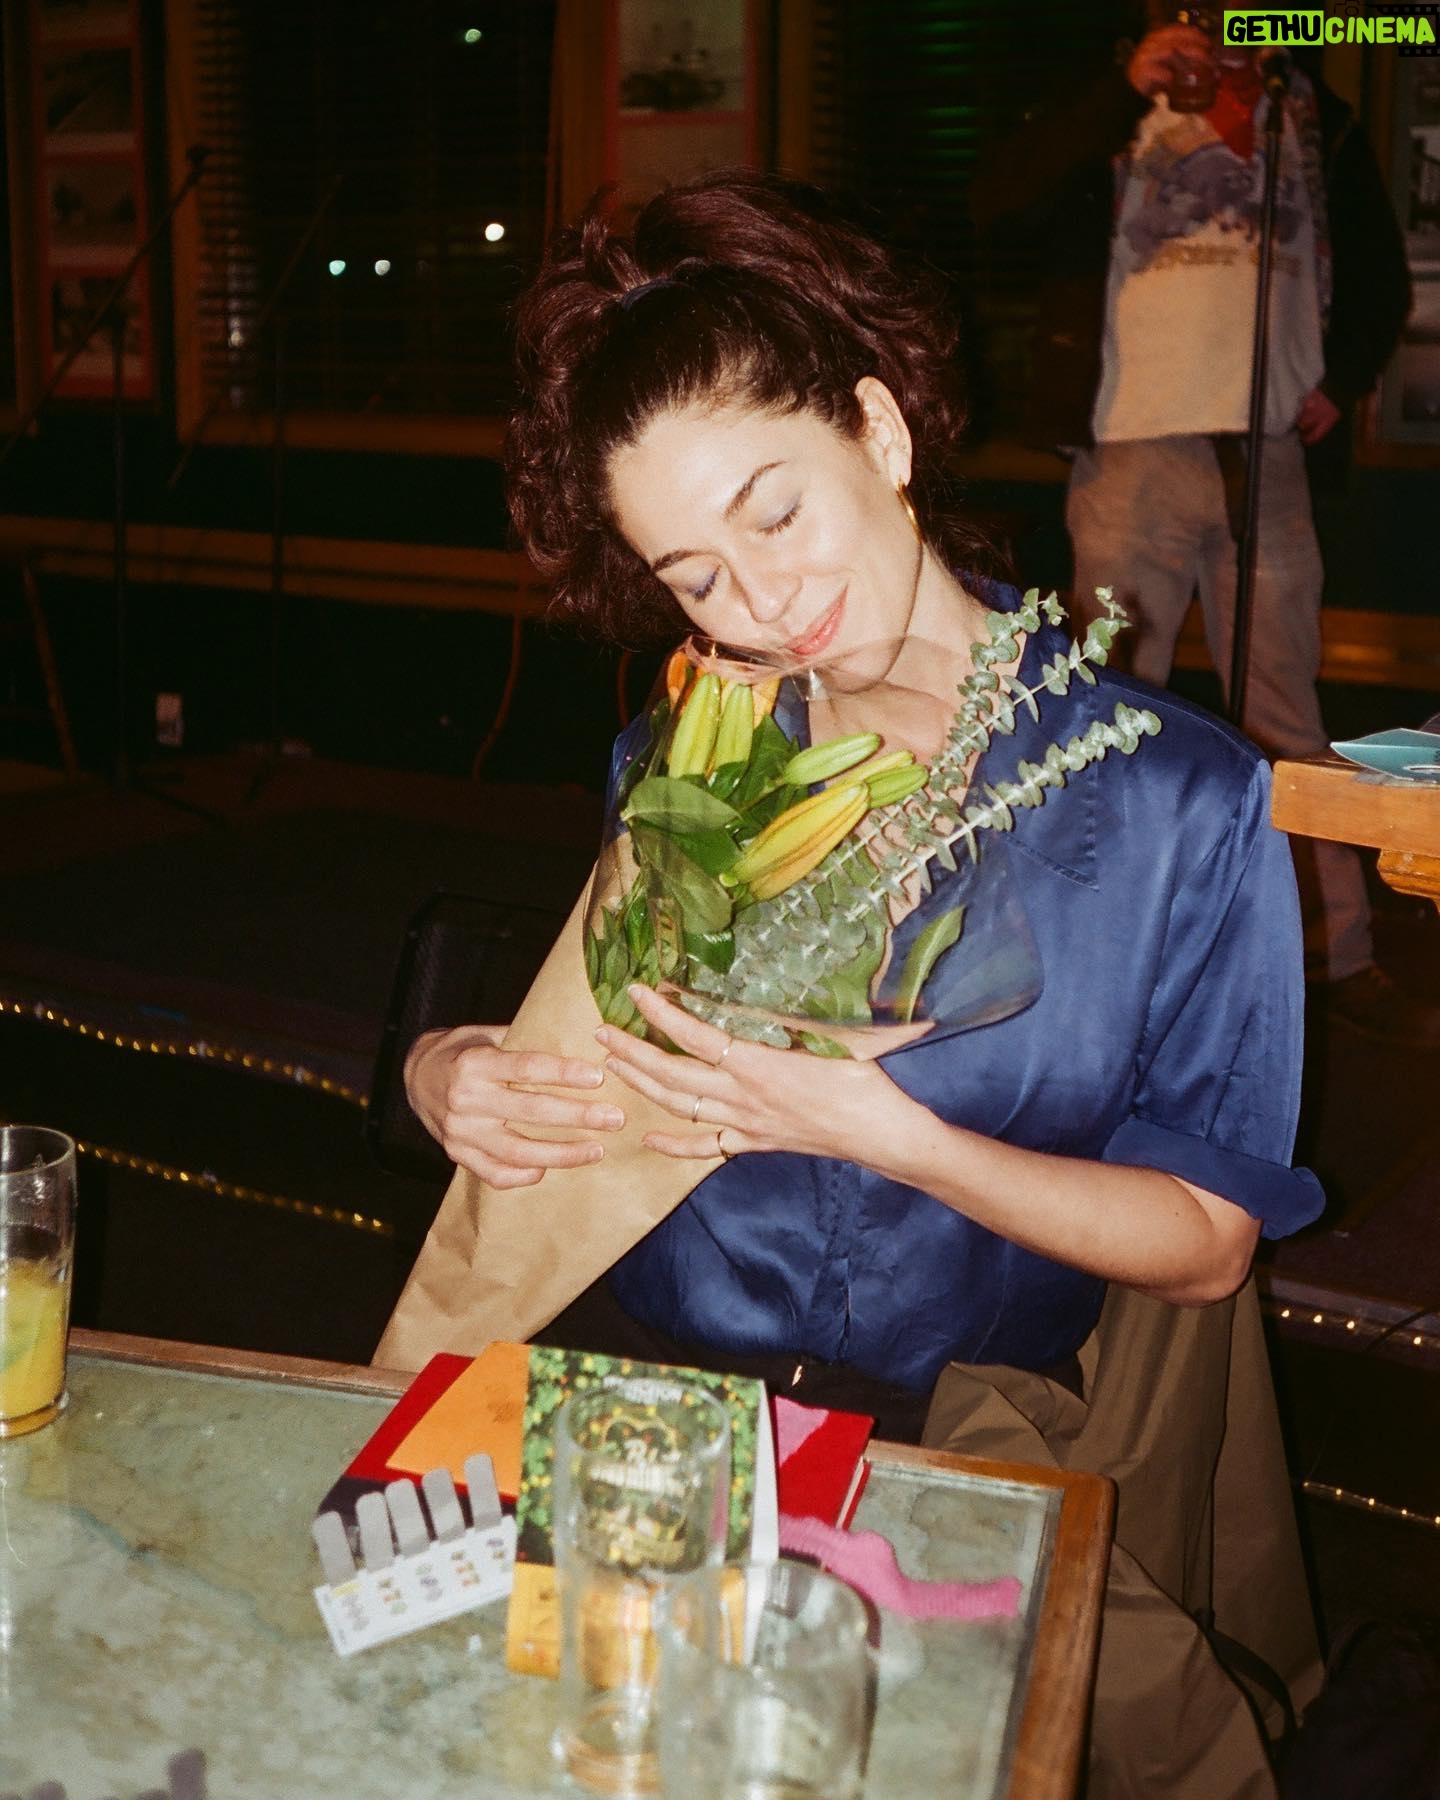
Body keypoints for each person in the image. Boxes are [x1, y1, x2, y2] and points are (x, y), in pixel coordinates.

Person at [391, 170, 1322, 1795]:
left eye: (775, 512)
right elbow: (588, 1057)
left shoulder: (1176, 804)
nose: (758, 604)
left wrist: (894, 1136)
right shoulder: (693, 750)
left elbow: (1206, 1242)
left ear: (880, 433)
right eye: (692, 573)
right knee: (365, 1683)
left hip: (947, 1446)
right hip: (643, 1400)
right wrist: (441, 1071)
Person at [969, 10, 1437, 1049]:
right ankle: (1079, 956)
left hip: (1267, 452)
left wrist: (1343, 375)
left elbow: (1377, 271)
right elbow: (999, 196)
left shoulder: (1313, 115)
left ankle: (1333, 957)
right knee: (1100, 713)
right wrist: (1120, 89)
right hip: (1131, 445)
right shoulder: (1114, 98)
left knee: (1286, 714)